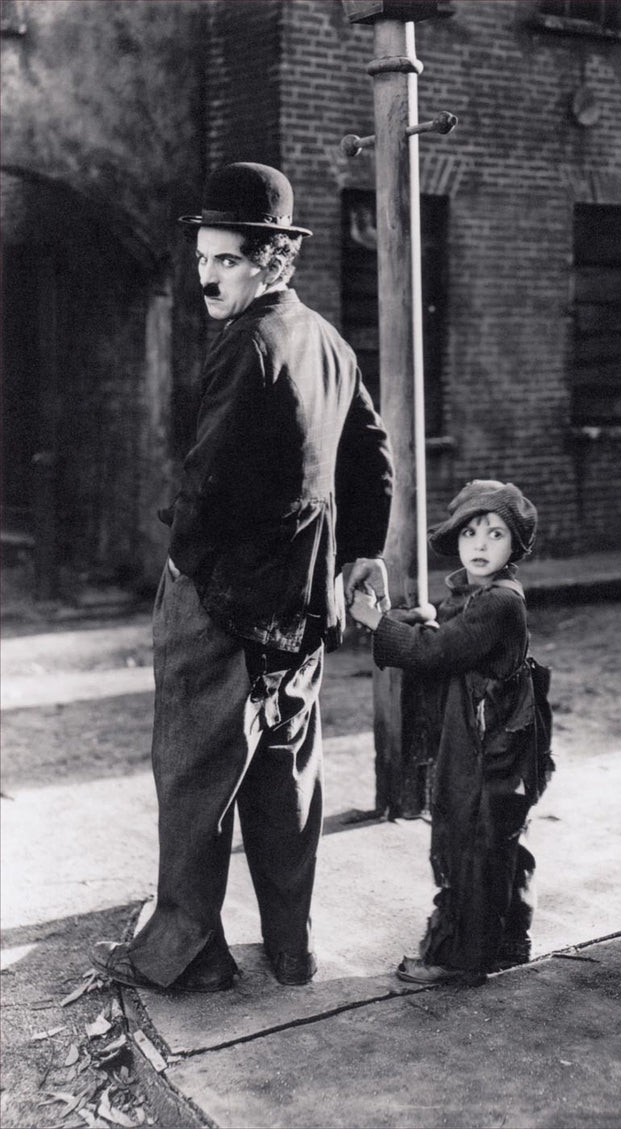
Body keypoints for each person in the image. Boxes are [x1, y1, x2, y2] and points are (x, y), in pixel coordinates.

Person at [92, 163, 393, 993]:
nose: (207, 278)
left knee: (195, 782)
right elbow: (372, 456)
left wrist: (185, 559)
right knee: (286, 780)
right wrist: (360, 550)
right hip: (300, 609)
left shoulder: (248, 345)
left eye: (225, 261)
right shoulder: (328, 341)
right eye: (201, 261)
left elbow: (208, 480)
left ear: (272, 260)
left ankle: (191, 958)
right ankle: (291, 948)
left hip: (222, 607)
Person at [349, 480, 553, 986]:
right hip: (500, 738)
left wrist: (373, 620)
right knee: (498, 839)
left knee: (471, 838)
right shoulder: (484, 596)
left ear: (514, 547)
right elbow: (453, 634)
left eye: (495, 534)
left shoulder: (499, 603)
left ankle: (458, 958)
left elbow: (435, 653)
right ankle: (505, 938)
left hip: (490, 746)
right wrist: (424, 618)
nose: (480, 545)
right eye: (470, 533)